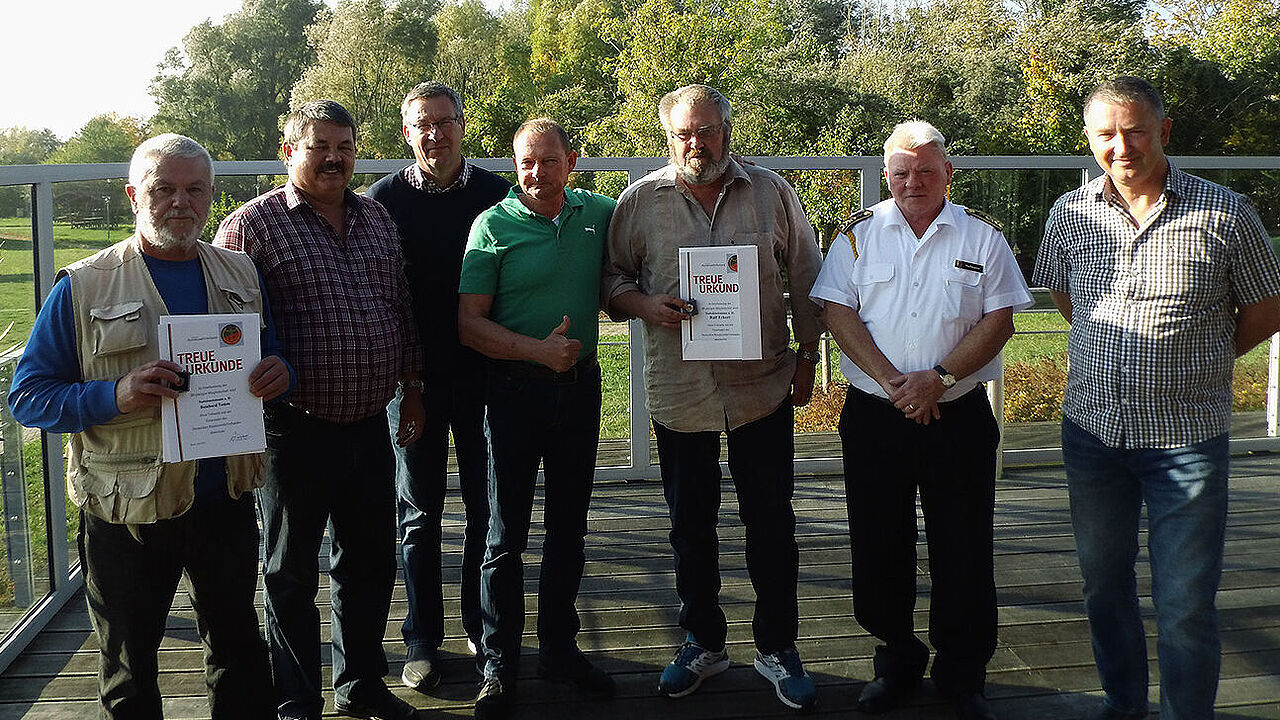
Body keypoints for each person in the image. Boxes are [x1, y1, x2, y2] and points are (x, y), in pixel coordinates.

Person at [8, 133, 291, 719]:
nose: (180, 203)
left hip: (225, 499)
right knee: (130, 672)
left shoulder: (239, 271)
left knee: (239, 654)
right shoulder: (83, 286)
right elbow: (29, 397)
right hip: (127, 513)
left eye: (194, 190)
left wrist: (277, 371)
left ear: (212, 195)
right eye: (164, 190)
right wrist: (118, 393)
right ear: (134, 195)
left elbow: (272, 352)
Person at [1032, 77, 1280, 720]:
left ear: (1164, 132)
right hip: (1092, 434)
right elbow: (1065, 300)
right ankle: (1123, 704)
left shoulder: (1225, 213)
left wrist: (1204, 354)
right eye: (1107, 134)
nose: (1122, 146)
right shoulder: (1068, 215)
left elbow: (1266, 308)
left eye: (1135, 130)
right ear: (1088, 140)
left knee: (1186, 602)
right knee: (1103, 588)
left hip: (1186, 441)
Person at [602, 84, 823, 712]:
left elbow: (808, 277)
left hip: (762, 386)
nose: (696, 143)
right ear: (667, 136)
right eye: (683, 134)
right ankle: (702, 642)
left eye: (707, 131)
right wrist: (645, 305)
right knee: (688, 527)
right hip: (681, 391)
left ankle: (778, 645)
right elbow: (613, 279)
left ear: (727, 130)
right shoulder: (640, 201)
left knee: (772, 523)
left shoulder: (773, 193)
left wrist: (809, 356)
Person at [810, 120, 1032, 720]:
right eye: (902, 172)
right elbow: (837, 312)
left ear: (948, 175)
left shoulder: (982, 238)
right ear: (886, 175)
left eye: (926, 171)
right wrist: (892, 382)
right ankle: (896, 658)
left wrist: (939, 379)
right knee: (878, 542)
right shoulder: (858, 237)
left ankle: (963, 675)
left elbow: (1000, 320)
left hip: (956, 414)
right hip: (876, 415)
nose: (913, 182)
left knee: (963, 546)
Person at [215, 100, 424, 720]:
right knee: (290, 569)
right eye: (319, 147)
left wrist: (412, 386)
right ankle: (296, 696)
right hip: (291, 427)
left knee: (368, 562)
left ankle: (360, 682)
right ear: (289, 152)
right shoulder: (251, 227)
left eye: (344, 146)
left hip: (369, 423)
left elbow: (400, 308)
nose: (334, 158)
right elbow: (225, 326)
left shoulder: (377, 218)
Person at [457, 118, 616, 720]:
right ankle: (498, 662)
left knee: (569, 527)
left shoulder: (598, 214)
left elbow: (633, 265)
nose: (535, 173)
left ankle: (558, 648)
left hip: (579, 390)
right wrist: (535, 351)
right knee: (504, 534)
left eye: (549, 161)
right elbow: (468, 324)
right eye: (526, 161)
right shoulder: (491, 225)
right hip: (513, 391)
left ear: (571, 162)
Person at [366, 81, 511, 691]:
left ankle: (481, 626)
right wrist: (408, 382)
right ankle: (422, 638)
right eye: (422, 124)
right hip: (414, 380)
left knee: (486, 510)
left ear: (462, 125)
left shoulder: (496, 195)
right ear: (407, 132)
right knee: (420, 515)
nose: (435, 134)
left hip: (485, 377)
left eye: (445, 122)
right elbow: (384, 298)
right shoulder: (383, 201)